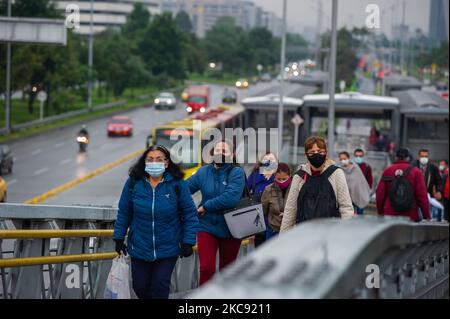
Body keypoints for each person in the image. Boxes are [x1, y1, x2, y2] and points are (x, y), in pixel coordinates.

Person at [113, 145, 199, 299]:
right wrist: (118, 237)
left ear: (166, 163)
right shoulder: (133, 183)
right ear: (144, 163)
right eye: (150, 159)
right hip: (139, 246)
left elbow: (190, 214)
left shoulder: (177, 184)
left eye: (159, 159)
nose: (154, 163)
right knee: (140, 286)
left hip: (168, 247)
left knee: (160, 285)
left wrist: (188, 241)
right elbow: (124, 212)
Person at [186, 140, 245, 286]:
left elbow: (230, 199)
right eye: (218, 150)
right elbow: (184, 189)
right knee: (206, 268)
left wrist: (205, 207)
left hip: (231, 228)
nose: (221, 153)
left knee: (227, 271)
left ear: (232, 155)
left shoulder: (237, 172)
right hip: (206, 226)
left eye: (225, 151)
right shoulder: (203, 172)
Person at [280, 136, 354, 233]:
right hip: (303, 234)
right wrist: (283, 240)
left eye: (320, 151)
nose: (316, 155)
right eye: (312, 152)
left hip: (329, 234)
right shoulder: (299, 177)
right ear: (306, 155)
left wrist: (345, 234)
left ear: (326, 153)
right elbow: (290, 211)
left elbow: (346, 207)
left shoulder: (336, 173)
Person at [376, 148, 430, 222]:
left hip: (390, 214)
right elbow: (422, 196)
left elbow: (380, 194)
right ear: (408, 158)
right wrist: (426, 216)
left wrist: (380, 211)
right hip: (410, 215)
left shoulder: (388, 171)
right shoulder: (415, 172)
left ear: (395, 157)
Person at [246, 152, 278, 247]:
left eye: (272, 160)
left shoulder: (280, 176)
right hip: (258, 222)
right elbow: (246, 192)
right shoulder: (255, 175)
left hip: (275, 223)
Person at [261, 163, 292, 240]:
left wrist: (288, 214)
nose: (281, 181)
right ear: (274, 177)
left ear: (290, 176)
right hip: (272, 231)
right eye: (279, 179)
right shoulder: (268, 190)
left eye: (284, 179)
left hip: (291, 231)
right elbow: (263, 211)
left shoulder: (295, 189)